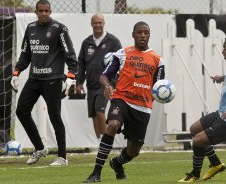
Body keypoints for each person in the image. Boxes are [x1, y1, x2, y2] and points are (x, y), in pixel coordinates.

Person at [83, 21, 165, 183]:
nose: (143, 35)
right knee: (112, 125)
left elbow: (160, 85)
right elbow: (104, 76)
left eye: (146, 32)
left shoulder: (157, 60)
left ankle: (117, 163)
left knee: (134, 151)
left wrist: (162, 94)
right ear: (133, 34)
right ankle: (96, 173)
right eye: (139, 32)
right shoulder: (123, 53)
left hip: (143, 107)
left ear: (149, 35)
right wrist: (107, 85)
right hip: (122, 99)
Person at [11, 0, 77, 166]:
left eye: (46, 11)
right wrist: (16, 72)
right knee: (21, 111)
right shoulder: (31, 28)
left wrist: (71, 76)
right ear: (36, 11)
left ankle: (62, 157)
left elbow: (70, 54)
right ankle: (40, 148)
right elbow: (26, 54)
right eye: (40, 11)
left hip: (53, 79)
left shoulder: (59, 29)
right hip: (34, 79)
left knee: (55, 117)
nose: (44, 14)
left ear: (50, 11)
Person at [177, 36, 226, 182]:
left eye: (225, 48)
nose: (222, 51)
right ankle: (215, 163)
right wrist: (222, 78)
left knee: (198, 140)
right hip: (222, 113)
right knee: (194, 129)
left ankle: (194, 175)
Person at [76, 14, 122, 143]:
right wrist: (79, 82)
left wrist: (117, 82)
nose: (97, 25)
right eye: (95, 23)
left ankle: (106, 143)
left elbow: (121, 60)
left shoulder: (113, 41)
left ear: (104, 23)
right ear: (91, 24)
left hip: (107, 84)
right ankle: (99, 143)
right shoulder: (87, 42)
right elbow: (81, 64)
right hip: (91, 84)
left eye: (100, 23)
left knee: (100, 112)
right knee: (94, 115)